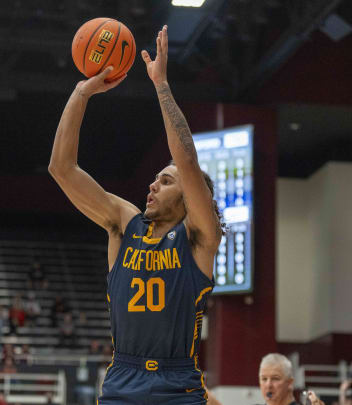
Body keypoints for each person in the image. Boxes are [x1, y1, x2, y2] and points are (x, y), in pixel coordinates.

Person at [49, 25, 222, 404]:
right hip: (122, 380)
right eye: (154, 180)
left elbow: (187, 160)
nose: (153, 186)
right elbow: (61, 168)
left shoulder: (199, 238)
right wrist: (82, 93)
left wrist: (161, 85)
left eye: (166, 181)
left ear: (193, 197)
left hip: (177, 383)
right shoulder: (124, 223)